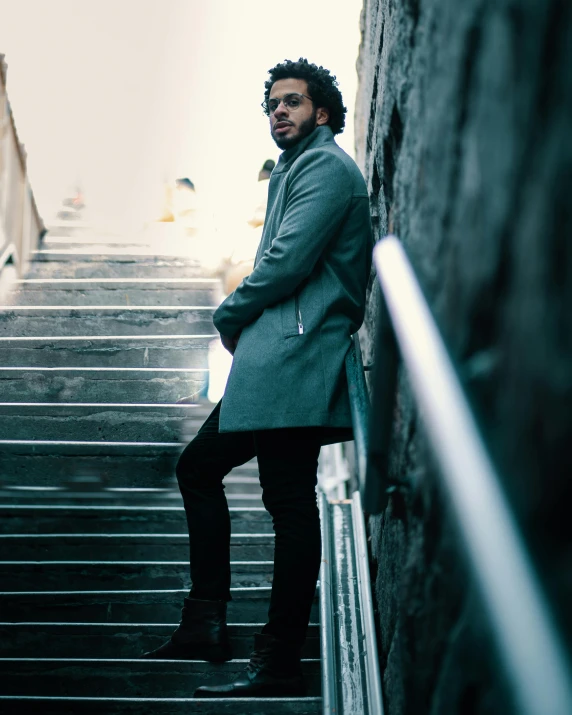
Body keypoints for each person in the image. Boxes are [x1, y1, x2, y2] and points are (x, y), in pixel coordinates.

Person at [142, 57, 374, 699]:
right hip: (278, 357)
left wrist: (230, 310)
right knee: (202, 469)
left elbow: (286, 261)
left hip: (298, 355)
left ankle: (275, 662)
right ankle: (205, 623)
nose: (280, 111)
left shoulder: (326, 168)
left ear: (321, 112)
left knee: (289, 500)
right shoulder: (297, 170)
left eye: (293, 102)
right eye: (273, 103)